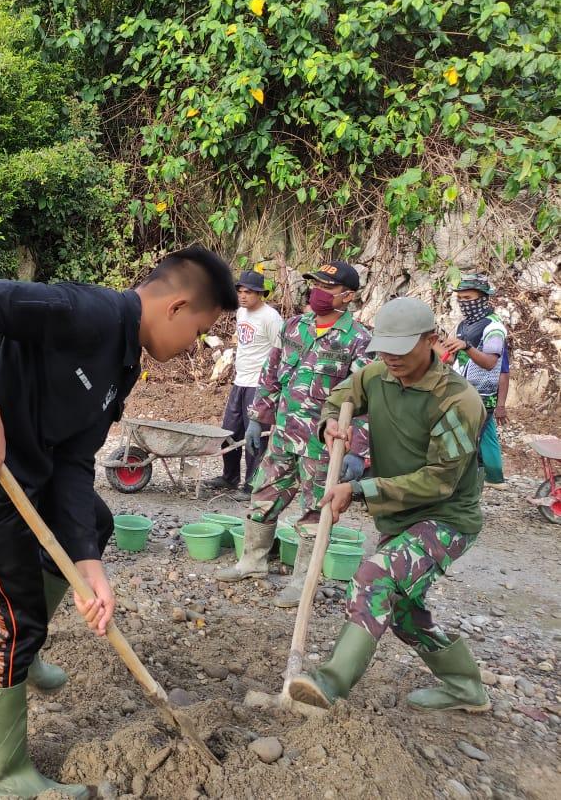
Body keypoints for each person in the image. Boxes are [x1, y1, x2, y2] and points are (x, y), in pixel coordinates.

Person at [0, 246, 238, 799]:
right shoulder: (92, 313)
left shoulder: (124, 360)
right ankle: (1, 775)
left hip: (28, 465)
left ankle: (27, 646)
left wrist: (90, 567)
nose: (192, 348)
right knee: (11, 618)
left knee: (96, 519)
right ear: (177, 307)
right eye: (200, 331)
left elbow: (74, 461)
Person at [288, 298, 490, 715]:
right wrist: (331, 421)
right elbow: (342, 395)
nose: (391, 358)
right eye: (384, 348)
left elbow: (439, 481)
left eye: (401, 349)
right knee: (400, 610)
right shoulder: (377, 375)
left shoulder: (459, 402)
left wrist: (360, 489)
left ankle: (331, 681)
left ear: (431, 341)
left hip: (447, 518)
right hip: (400, 517)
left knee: (374, 574)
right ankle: (466, 685)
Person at [216, 259, 373, 608]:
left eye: (327, 288)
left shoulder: (359, 340)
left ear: (347, 296)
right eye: (315, 285)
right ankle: (253, 561)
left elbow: (367, 403)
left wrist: (356, 452)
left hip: (324, 445)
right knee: (263, 494)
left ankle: (304, 581)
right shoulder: (293, 327)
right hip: (284, 435)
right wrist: (258, 418)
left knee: (316, 512)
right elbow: (272, 376)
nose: (317, 293)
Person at [205, 268, 282, 494]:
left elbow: (279, 352)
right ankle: (229, 477)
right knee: (230, 431)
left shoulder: (271, 318)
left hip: (259, 385)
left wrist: (271, 387)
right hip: (240, 381)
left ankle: (252, 484)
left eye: (249, 292)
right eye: (240, 291)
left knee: (254, 437)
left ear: (260, 294)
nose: (243, 296)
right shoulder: (241, 313)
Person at [437, 274, 506, 486]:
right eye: (460, 299)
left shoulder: (494, 328)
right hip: (460, 393)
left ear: (483, 298)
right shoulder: (463, 325)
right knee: (470, 441)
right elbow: (451, 360)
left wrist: (466, 346)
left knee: (465, 443)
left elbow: (491, 363)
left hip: (482, 398)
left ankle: (468, 490)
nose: (464, 303)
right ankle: (488, 480)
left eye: (468, 298)